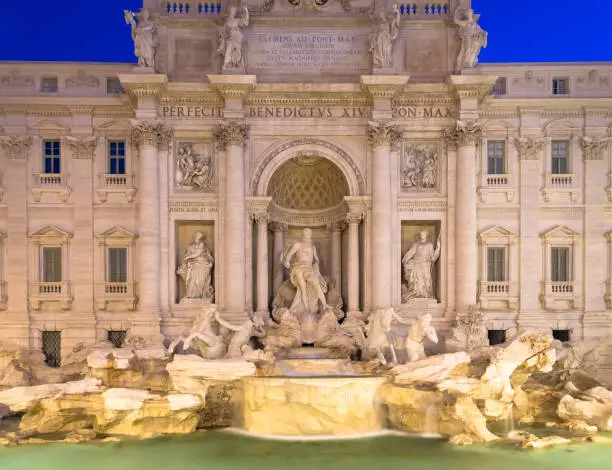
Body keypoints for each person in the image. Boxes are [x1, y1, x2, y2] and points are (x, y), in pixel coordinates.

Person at [282, 228, 328, 315]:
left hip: (310, 269)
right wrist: (287, 261)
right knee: (303, 288)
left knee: (317, 286)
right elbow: (290, 254)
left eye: (309, 234)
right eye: (306, 233)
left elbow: (316, 258)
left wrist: (316, 263)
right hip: (299, 268)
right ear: (303, 235)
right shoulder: (298, 245)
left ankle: (325, 305)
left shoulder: (312, 247)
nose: (308, 235)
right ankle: (307, 310)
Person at [402, 230, 441, 300]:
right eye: (421, 234)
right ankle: (417, 293)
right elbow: (411, 252)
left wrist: (438, 249)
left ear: (426, 235)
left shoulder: (429, 245)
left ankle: (425, 293)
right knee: (416, 280)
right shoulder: (416, 244)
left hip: (425, 265)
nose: (422, 235)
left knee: (426, 280)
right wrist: (405, 259)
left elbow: (432, 257)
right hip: (416, 264)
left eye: (423, 234)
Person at [177, 231, 214, 301]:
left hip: (203, 265)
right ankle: (190, 295)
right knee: (192, 279)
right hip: (193, 265)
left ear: (201, 238)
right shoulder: (190, 246)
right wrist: (187, 258)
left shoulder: (203, 246)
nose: (196, 237)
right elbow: (187, 254)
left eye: (198, 236)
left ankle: (200, 295)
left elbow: (201, 254)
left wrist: (188, 257)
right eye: (196, 235)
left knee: (201, 280)